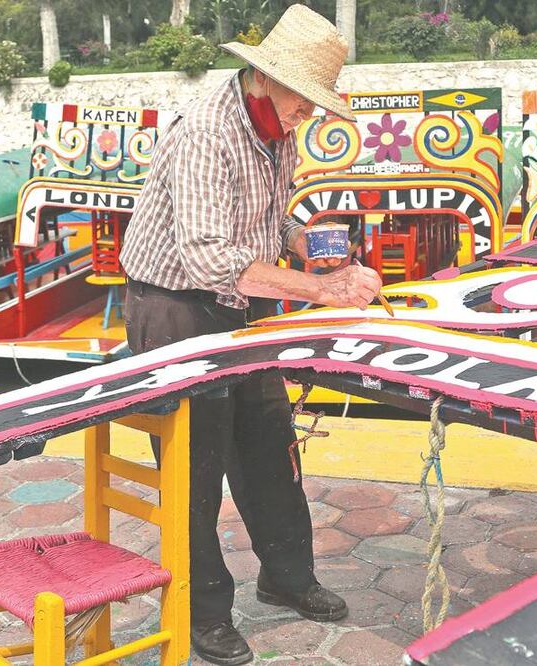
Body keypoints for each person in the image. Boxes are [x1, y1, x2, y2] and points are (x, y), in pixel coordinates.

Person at [118, 5, 382, 665]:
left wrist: (307, 246)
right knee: (195, 466)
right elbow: (209, 258)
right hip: (175, 307)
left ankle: (286, 576)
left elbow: (271, 210)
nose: (309, 116)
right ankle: (203, 609)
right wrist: (323, 290)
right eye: (306, 101)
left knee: (268, 443)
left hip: (243, 301)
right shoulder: (207, 130)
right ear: (265, 78)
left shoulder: (276, 127)